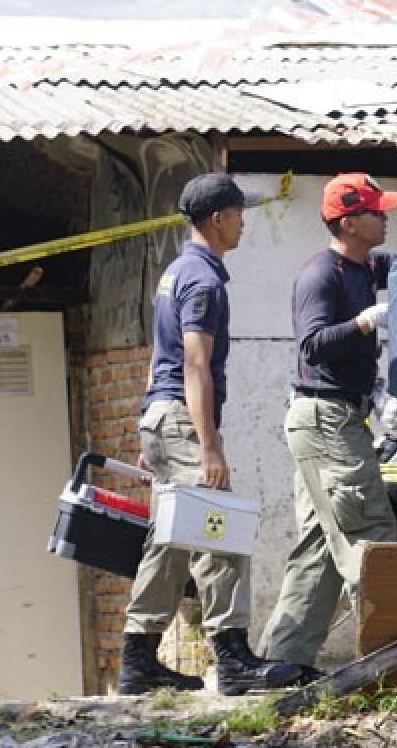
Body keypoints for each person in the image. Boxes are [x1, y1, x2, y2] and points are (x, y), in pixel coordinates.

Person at [119, 172, 301, 696]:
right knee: (218, 527)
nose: (244, 224)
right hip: (181, 417)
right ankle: (233, 655)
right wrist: (209, 446)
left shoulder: (176, 271)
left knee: (171, 539)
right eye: (239, 214)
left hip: (162, 415)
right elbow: (195, 365)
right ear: (218, 218)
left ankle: (137, 660)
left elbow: (164, 356)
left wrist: (156, 427)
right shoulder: (202, 280)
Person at [257, 173, 397, 676]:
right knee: (370, 532)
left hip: (337, 415)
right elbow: (313, 344)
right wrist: (365, 322)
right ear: (349, 222)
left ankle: (284, 662)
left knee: (319, 542)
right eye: (376, 211)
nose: (385, 217)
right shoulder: (322, 275)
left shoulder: (367, 266)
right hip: (326, 417)